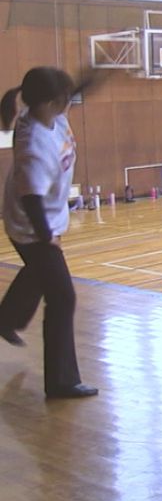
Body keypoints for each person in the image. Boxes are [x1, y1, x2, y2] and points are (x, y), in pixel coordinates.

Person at [0, 67, 98, 398]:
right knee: (62, 295)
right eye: (64, 99)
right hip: (30, 225)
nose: (68, 103)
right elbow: (31, 198)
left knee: (41, 273)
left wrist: (92, 77)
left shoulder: (42, 113)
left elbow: (66, 94)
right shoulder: (34, 146)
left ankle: (6, 318)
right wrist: (47, 236)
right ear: (50, 102)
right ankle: (61, 382)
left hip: (42, 218)